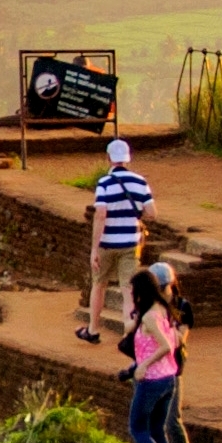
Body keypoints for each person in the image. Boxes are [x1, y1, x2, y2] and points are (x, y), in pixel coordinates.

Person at [79, 137, 153, 342]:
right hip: (130, 242)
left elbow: (100, 214)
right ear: (127, 159)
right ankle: (128, 333)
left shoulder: (104, 183)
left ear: (109, 158)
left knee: (99, 284)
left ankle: (93, 330)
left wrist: (94, 248)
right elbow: (152, 212)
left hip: (107, 242)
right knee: (128, 289)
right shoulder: (140, 182)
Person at [124, 265, 189, 443]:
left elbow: (166, 346)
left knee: (137, 428)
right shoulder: (163, 310)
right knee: (156, 429)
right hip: (169, 378)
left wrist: (143, 365)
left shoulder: (149, 317)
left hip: (152, 380)